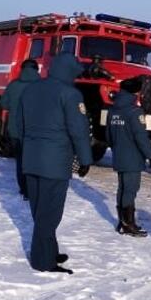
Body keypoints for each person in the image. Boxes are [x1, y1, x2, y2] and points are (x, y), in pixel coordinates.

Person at [17, 52, 94, 274]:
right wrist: (85, 159)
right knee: (49, 214)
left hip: (31, 159)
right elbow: (78, 131)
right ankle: (43, 261)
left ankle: (49, 250)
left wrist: (27, 151)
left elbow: (20, 126)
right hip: (55, 162)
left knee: (40, 209)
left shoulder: (30, 89)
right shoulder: (70, 94)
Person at [106, 76, 151, 237]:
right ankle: (128, 224)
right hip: (133, 157)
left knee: (122, 188)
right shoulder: (135, 112)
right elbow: (140, 136)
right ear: (136, 92)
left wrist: (117, 148)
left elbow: (109, 135)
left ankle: (122, 222)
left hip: (119, 155)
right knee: (130, 190)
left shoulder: (113, 110)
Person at [0, 58, 40, 199]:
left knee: (20, 161)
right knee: (34, 161)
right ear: (37, 70)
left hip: (15, 131)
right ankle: (32, 190)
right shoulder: (42, 86)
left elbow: (4, 104)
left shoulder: (13, 85)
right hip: (35, 132)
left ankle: (23, 189)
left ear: (22, 69)